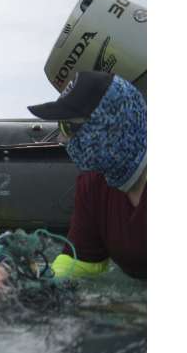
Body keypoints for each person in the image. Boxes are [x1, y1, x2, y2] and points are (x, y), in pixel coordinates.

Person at [27, 71, 146, 280]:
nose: (62, 139)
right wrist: (38, 277)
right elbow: (81, 262)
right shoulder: (93, 183)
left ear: (109, 125)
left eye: (68, 126)